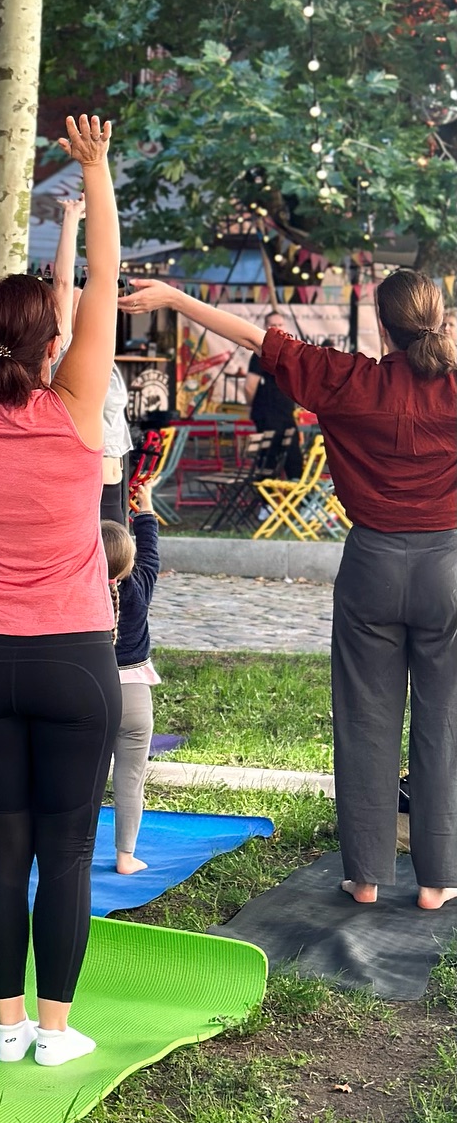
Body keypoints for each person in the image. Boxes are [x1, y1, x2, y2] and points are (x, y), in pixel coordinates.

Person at [122, 266, 457, 910]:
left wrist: (174, 296)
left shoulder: (348, 379)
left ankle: (365, 878)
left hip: (371, 565)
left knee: (365, 719)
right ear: (437, 321)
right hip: (447, 565)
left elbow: (256, 339)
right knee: (444, 720)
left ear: (382, 325)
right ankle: (437, 883)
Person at [0, 111, 123, 1069]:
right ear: (51, 342)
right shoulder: (79, 406)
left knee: (1, 850)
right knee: (69, 854)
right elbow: (105, 292)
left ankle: (6, 1027)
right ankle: (53, 1030)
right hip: (76, 660)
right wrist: (95, 172)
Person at [51, 192, 131, 519]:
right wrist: (71, 219)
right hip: (87, 481)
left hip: (114, 475)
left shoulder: (100, 353)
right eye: (75, 302)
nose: (85, 304)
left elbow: (106, 276)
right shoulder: (65, 350)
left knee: (120, 565)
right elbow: (63, 280)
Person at [102, 479, 161, 874]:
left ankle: (70, 849)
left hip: (89, 693)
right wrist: (145, 506)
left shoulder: (79, 592)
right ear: (130, 562)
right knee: (130, 779)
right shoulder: (140, 585)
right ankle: (125, 857)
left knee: (79, 780)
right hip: (135, 695)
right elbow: (151, 551)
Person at [245, 311, 299, 471]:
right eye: (273, 325)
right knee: (269, 457)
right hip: (268, 413)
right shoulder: (261, 353)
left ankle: (296, 494)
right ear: (266, 328)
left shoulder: (288, 352)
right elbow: (249, 385)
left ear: (286, 327)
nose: (277, 328)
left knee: (293, 459)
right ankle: (265, 493)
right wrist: (250, 406)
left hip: (286, 412)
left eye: (280, 325)